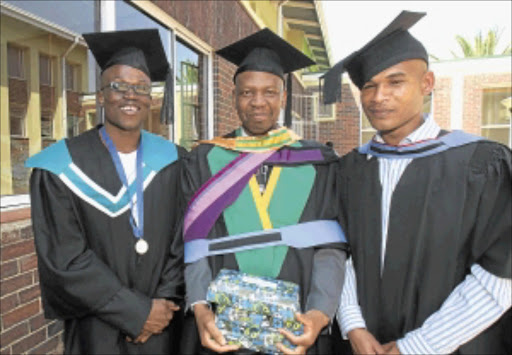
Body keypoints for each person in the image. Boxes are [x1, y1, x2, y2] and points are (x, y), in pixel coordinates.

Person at [322, 11, 512, 355]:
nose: (379, 97)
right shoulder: (350, 170)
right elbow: (338, 254)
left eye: (396, 82)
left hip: (450, 346)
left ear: (426, 84)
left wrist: (418, 346)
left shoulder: (482, 164)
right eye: (369, 86)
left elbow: (501, 274)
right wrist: (353, 326)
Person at [181, 28, 349, 354]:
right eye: (247, 93)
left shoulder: (318, 162)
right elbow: (193, 246)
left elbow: (331, 247)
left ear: (283, 97)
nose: (258, 102)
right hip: (222, 329)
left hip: (296, 327)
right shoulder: (204, 160)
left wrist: (319, 313)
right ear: (234, 97)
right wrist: (199, 305)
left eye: (269, 92)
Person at [26, 29, 186, 354]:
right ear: (100, 96)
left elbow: (183, 238)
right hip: (95, 329)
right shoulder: (59, 166)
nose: (131, 96)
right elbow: (65, 259)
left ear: (152, 98)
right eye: (119, 86)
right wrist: (136, 313)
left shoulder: (174, 160)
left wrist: (164, 304)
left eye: (141, 88)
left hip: (163, 326)